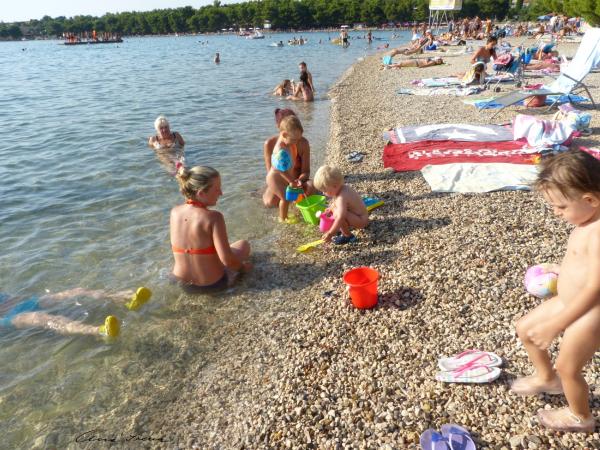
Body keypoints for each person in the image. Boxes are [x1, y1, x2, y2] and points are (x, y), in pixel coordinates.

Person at [511, 150, 600, 432]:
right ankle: (547, 379)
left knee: (568, 367)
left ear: (591, 200)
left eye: (560, 206)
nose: (556, 212)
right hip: (570, 299)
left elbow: (595, 287)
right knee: (525, 329)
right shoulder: (585, 220)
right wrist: (561, 270)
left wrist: (557, 324)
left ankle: (581, 417)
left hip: (591, 313)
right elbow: (583, 263)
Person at [171, 166, 251, 293]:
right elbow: (227, 260)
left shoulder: (175, 212)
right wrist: (243, 268)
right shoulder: (214, 217)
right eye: (217, 189)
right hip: (212, 285)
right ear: (201, 193)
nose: (221, 193)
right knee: (243, 245)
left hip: (182, 284)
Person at [0, 287, 152, 338]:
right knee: (40, 318)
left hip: (27, 304)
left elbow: (14, 298)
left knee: (77, 291)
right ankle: (100, 331)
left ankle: (124, 299)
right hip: (9, 318)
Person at [313, 165, 368, 245]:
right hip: (361, 216)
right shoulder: (343, 189)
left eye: (324, 190)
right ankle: (342, 228)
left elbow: (340, 217)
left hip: (361, 221)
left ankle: (348, 236)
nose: (323, 193)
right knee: (335, 210)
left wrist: (330, 233)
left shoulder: (341, 198)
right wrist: (331, 208)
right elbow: (336, 202)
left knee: (337, 214)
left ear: (335, 186)